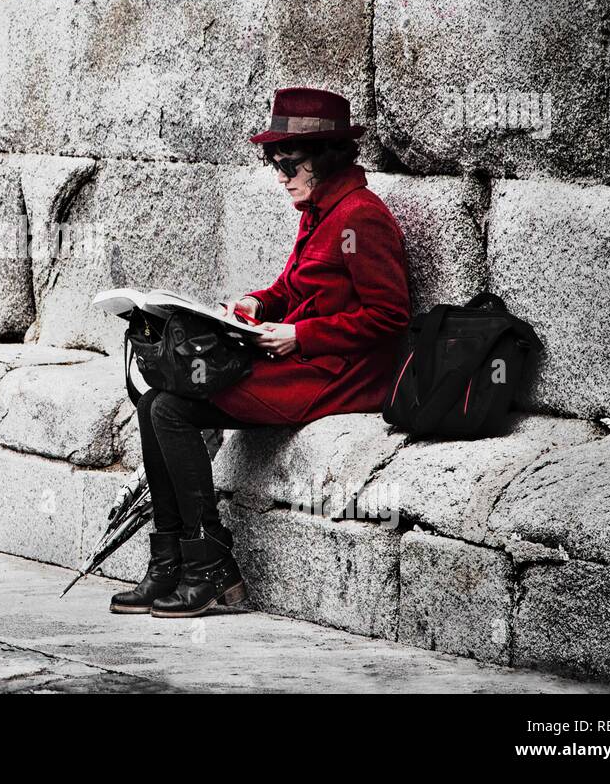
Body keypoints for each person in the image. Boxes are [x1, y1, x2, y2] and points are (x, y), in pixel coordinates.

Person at [112, 86, 412, 619]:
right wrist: (254, 303)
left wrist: (301, 335)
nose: (281, 175)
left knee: (171, 407)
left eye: (289, 163)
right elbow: (295, 286)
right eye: (274, 163)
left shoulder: (360, 217)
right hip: (302, 363)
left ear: (326, 157)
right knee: (155, 397)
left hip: (337, 375)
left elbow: (390, 318)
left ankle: (207, 565)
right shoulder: (320, 208)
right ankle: (175, 560)